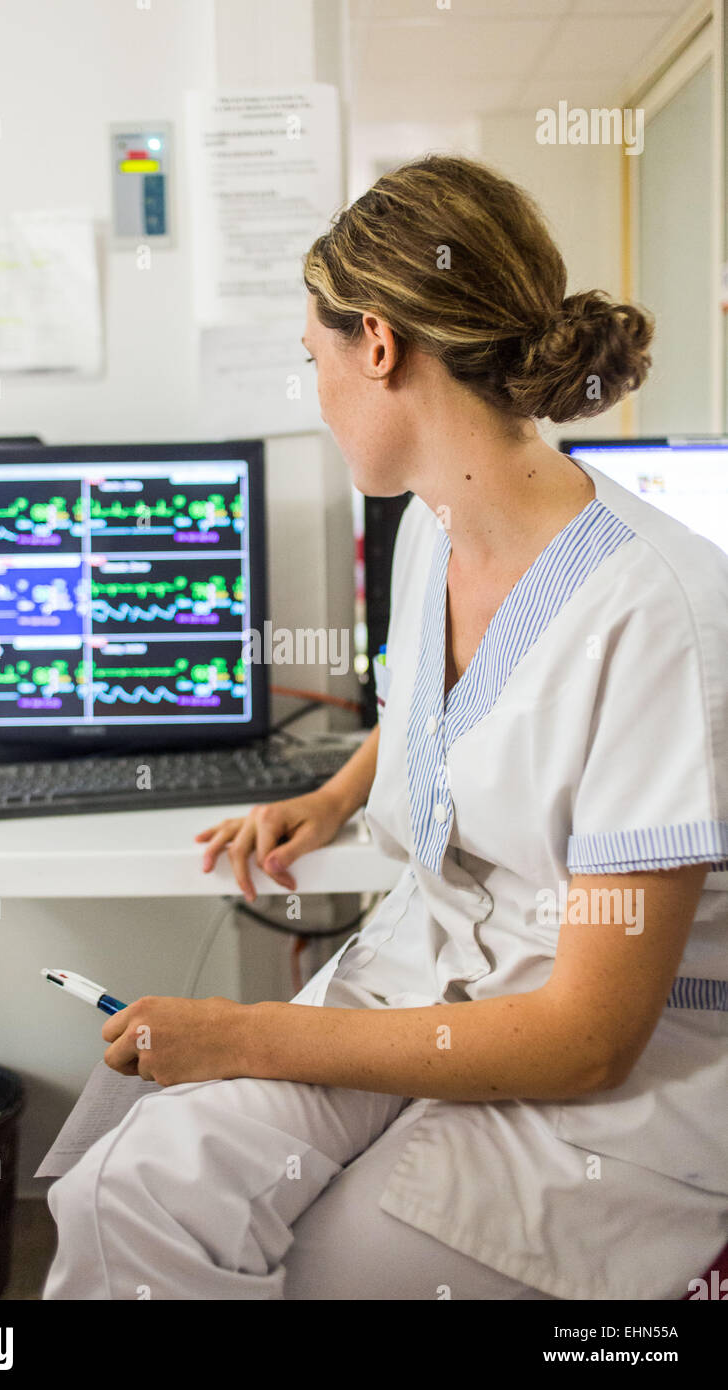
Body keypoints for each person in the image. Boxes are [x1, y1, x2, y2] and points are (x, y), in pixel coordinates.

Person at [43, 155, 728, 1300]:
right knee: (126, 1196)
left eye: (311, 359)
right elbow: (459, 711)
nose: (313, 394)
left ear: (374, 343)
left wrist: (245, 1034)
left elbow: (587, 1037)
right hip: (424, 980)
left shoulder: (659, 615)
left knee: (314, 1268)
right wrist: (339, 789)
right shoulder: (431, 529)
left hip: (598, 1075)